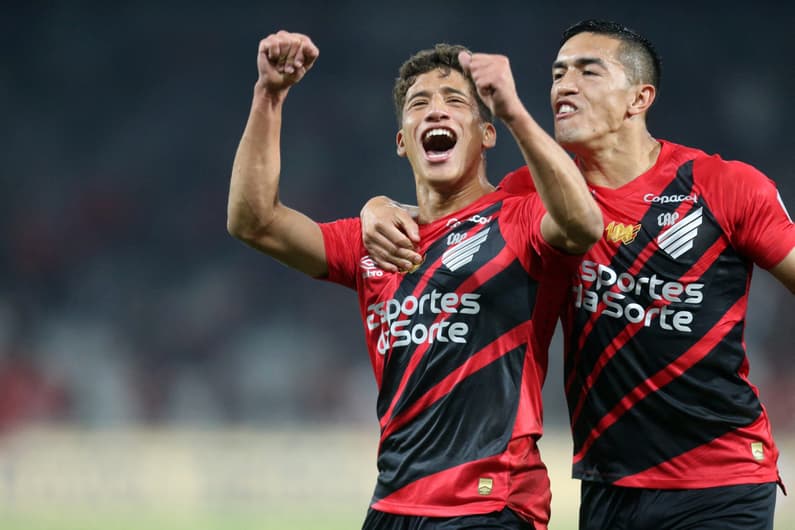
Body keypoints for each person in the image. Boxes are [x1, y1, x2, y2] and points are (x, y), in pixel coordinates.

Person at [361, 19, 795, 530]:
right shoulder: (536, 192)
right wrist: (379, 206)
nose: (564, 85)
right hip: (607, 484)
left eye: (588, 71)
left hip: (721, 477)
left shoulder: (724, 186)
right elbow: (452, 217)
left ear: (639, 98)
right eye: (558, 73)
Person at [226, 30, 602, 529]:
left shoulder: (520, 221)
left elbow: (582, 224)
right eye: (420, 102)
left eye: (455, 100)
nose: (436, 111)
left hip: (489, 505)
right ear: (403, 141)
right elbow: (253, 221)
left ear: (486, 134)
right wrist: (269, 95)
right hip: (392, 505)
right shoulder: (377, 240)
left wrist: (511, 111)